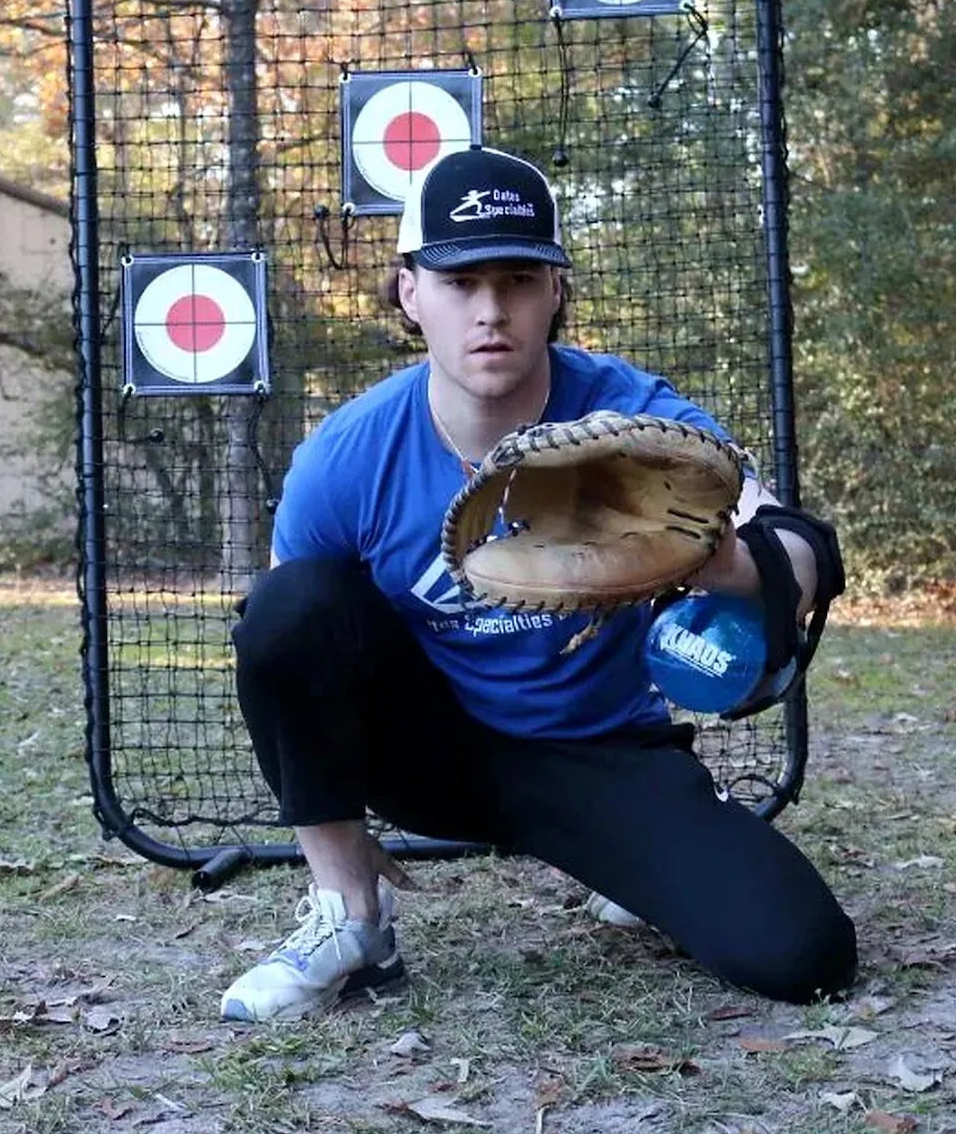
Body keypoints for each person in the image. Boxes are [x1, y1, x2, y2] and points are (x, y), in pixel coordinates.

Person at [220, 146, 856, 1023]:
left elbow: (803, 543)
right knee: (285, 608)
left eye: (519, 278)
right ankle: (351, 918)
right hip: (424, 752)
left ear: (556, 289)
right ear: (411, 293)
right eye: (459, 281)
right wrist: (343, 831)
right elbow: (291, 658)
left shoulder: (635, 418)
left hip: (592, 755)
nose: (491, 310)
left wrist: (729, 560)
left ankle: (629, 865)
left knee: (804, 957)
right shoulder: (349, 453)